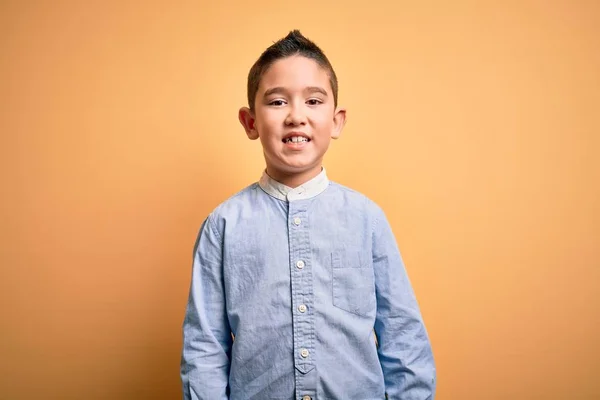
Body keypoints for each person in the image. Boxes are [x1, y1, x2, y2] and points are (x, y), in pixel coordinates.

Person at [181, 29, 436, 400]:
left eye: (314, 101)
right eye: (278, 102)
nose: (296, 116)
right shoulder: (222, 227)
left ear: (336, 120)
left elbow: (403, 336)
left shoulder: (367, 220)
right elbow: (204, 348)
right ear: (250, 122)